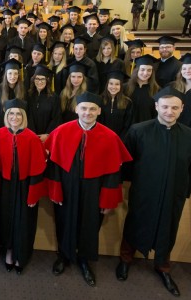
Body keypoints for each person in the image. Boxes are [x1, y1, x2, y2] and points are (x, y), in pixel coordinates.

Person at [117, 87, 191, 297]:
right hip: (145, 190)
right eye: (165, 107)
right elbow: (127, 162)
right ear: (156, 107)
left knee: (168, 228)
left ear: (182, 109)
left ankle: (163, 267)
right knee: (135, 222)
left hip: (174, 193)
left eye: (174, 107)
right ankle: (125, 260)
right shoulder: (138, 130)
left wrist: (184, 192)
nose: (169, 111)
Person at [45, 92, 132, 287]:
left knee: (90, 225)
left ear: (99, 111)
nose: (87, 113)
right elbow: (54, 166)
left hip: (94, 190)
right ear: (76, 109)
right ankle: (64, 256)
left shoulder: (109, 137)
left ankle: (84, 261)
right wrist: (55, 190)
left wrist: (108, 200)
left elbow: (113, 172)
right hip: (67, 187)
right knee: (64, 221)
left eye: (92, 109)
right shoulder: (61, 131)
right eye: (83, 108)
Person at [0, 99, 48, 274]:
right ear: (6, 116)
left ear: (23, 116)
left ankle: (21, 255)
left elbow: (38, 169)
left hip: (25, 185)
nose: (14, 117)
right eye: (11, 113)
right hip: (5, 185)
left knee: (24, 221)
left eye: (18, 113)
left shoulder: (32, 138)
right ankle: (9, 251)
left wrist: (33, 194)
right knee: (5, 219)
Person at [0, 59, 25, 131]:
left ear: (19, 75)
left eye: (15, 73)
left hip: (18, 131)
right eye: (10, 73)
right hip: (0, 129)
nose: (13, 76)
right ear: (5, 74)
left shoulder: (23, 90)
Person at [26, 65, 61, 141]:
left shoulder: (54, 97)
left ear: (47, 80)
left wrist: (47, 134)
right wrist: (32, 134)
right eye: (37, 79)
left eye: (42, 79)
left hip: (47, 137)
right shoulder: (29, 96)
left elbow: (56, 118)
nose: (39, 82)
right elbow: (27, 116)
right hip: (31, 135)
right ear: (33, 80)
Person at [125, 54, 160, 124]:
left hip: (147, 128)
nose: (145, 73)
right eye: (142, 69)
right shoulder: (125, 88)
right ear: (137, 70)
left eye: (149, 70)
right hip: (126, 129)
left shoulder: (157, 90)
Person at [99, 70, 133, 138]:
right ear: (107, 85)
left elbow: (128, 124)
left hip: (120, 138)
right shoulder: (99, 100)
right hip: (101, 136)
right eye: (111, 83)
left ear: (121, 86)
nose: (113, 87)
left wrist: (120, 138)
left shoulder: (127, 102)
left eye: (117, 84)